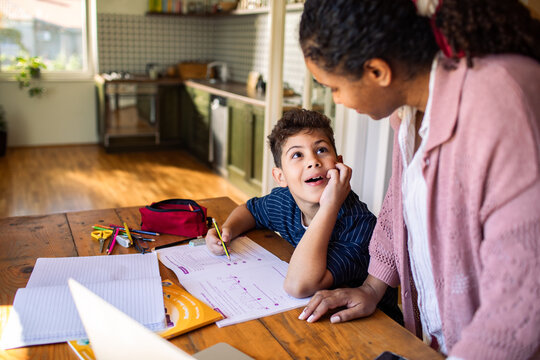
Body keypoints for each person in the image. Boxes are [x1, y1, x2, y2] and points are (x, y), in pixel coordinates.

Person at [297, 0, 540, 359]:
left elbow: (523, 295)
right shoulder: (408, 113)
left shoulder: (500, 102)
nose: (337, 100)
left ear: (378, 72)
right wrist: (371, 287)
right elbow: (401, 205)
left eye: (334, 87)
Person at [205, 108, 402, 322]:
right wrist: (228, 230)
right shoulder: (285, 201)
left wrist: (330, 205)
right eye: (298, 155)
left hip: (376, 326)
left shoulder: (360, 227)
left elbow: (298, 286)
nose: (313, 161)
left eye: (321, 150)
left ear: (339, 163)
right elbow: (250, 211)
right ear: (280, 176)